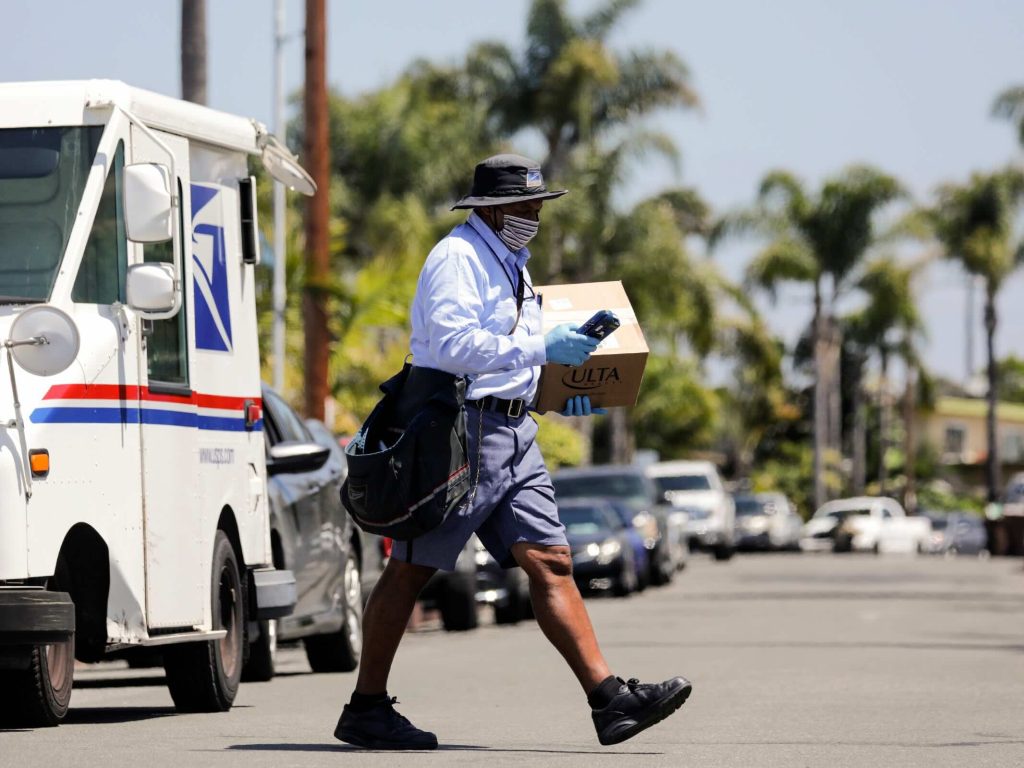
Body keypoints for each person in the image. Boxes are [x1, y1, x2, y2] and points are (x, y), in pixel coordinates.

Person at [334, 154, 691, 750]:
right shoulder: (459, 257)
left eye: (539, 205)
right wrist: (542, 345)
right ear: (493, 208)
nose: (534, 216)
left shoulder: (513, 265)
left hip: (512, 432)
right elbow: (452, 346)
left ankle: (609, 701)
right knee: (412, 567)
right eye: (526, 205)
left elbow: (512, 357)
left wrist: (558, 390)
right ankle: (366, 706)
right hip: (459, 432)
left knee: (552, 561)